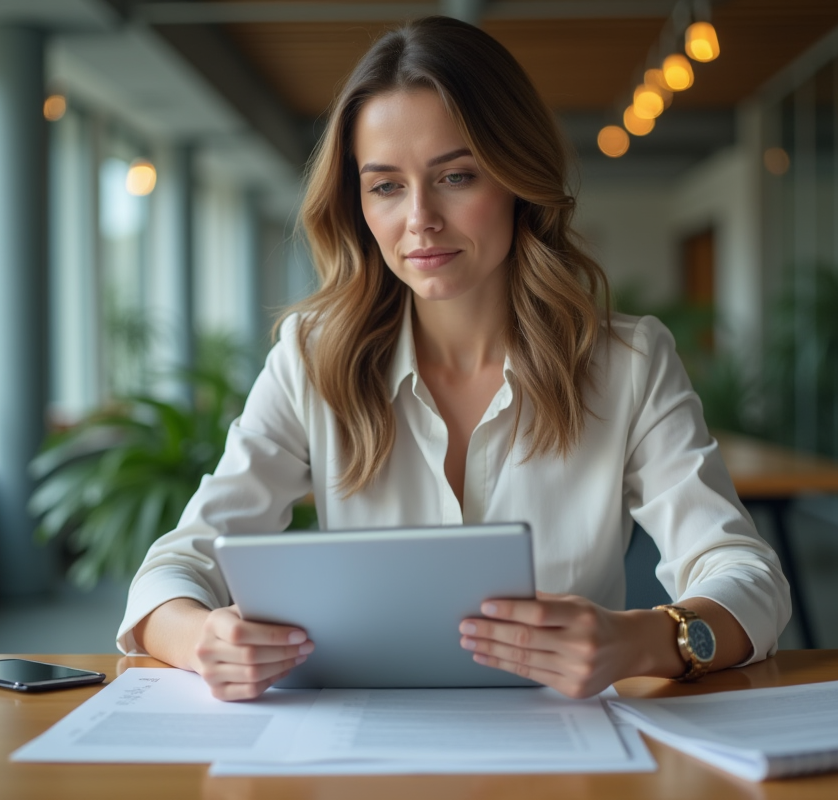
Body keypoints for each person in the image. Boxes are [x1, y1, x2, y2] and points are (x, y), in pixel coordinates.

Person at [117, 16, 790, 701]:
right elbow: (171, 573)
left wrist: (642, 640)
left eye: (457, 176)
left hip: (565, 742)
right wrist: (203, 640)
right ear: (357, 204)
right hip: (369, 742)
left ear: (519, 179)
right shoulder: (311, 361)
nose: (420, 219)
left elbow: (748, 577)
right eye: (386, 186)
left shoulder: (628, 363)